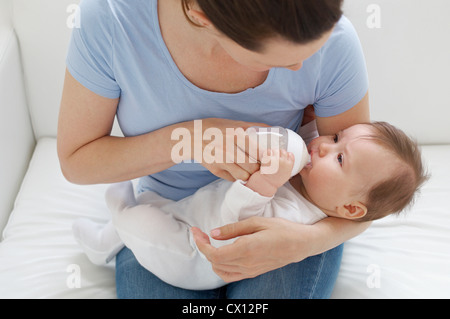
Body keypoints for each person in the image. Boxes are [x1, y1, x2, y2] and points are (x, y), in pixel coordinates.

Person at [58, 0, 372, 298]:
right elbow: (77, 161)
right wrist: (192, 139)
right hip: (170, 211)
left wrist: (305, 241)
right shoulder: (110, 21)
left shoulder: (332, 39)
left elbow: (365, 191)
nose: (299, 65)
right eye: (278, 58)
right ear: (201, 17)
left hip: (284, 211)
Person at [73, 121, 428, 290]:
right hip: (185, 208)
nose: (322, 146)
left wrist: (261, 188)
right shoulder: (305, 170)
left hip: (193, 255)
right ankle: (118, 224)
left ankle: (113, 227)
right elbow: (292, 139)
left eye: (338, 159)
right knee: (153, 212)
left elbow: (234, 230)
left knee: (142, 226)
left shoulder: (295, 220)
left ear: (350, 209)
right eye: (335, 138)